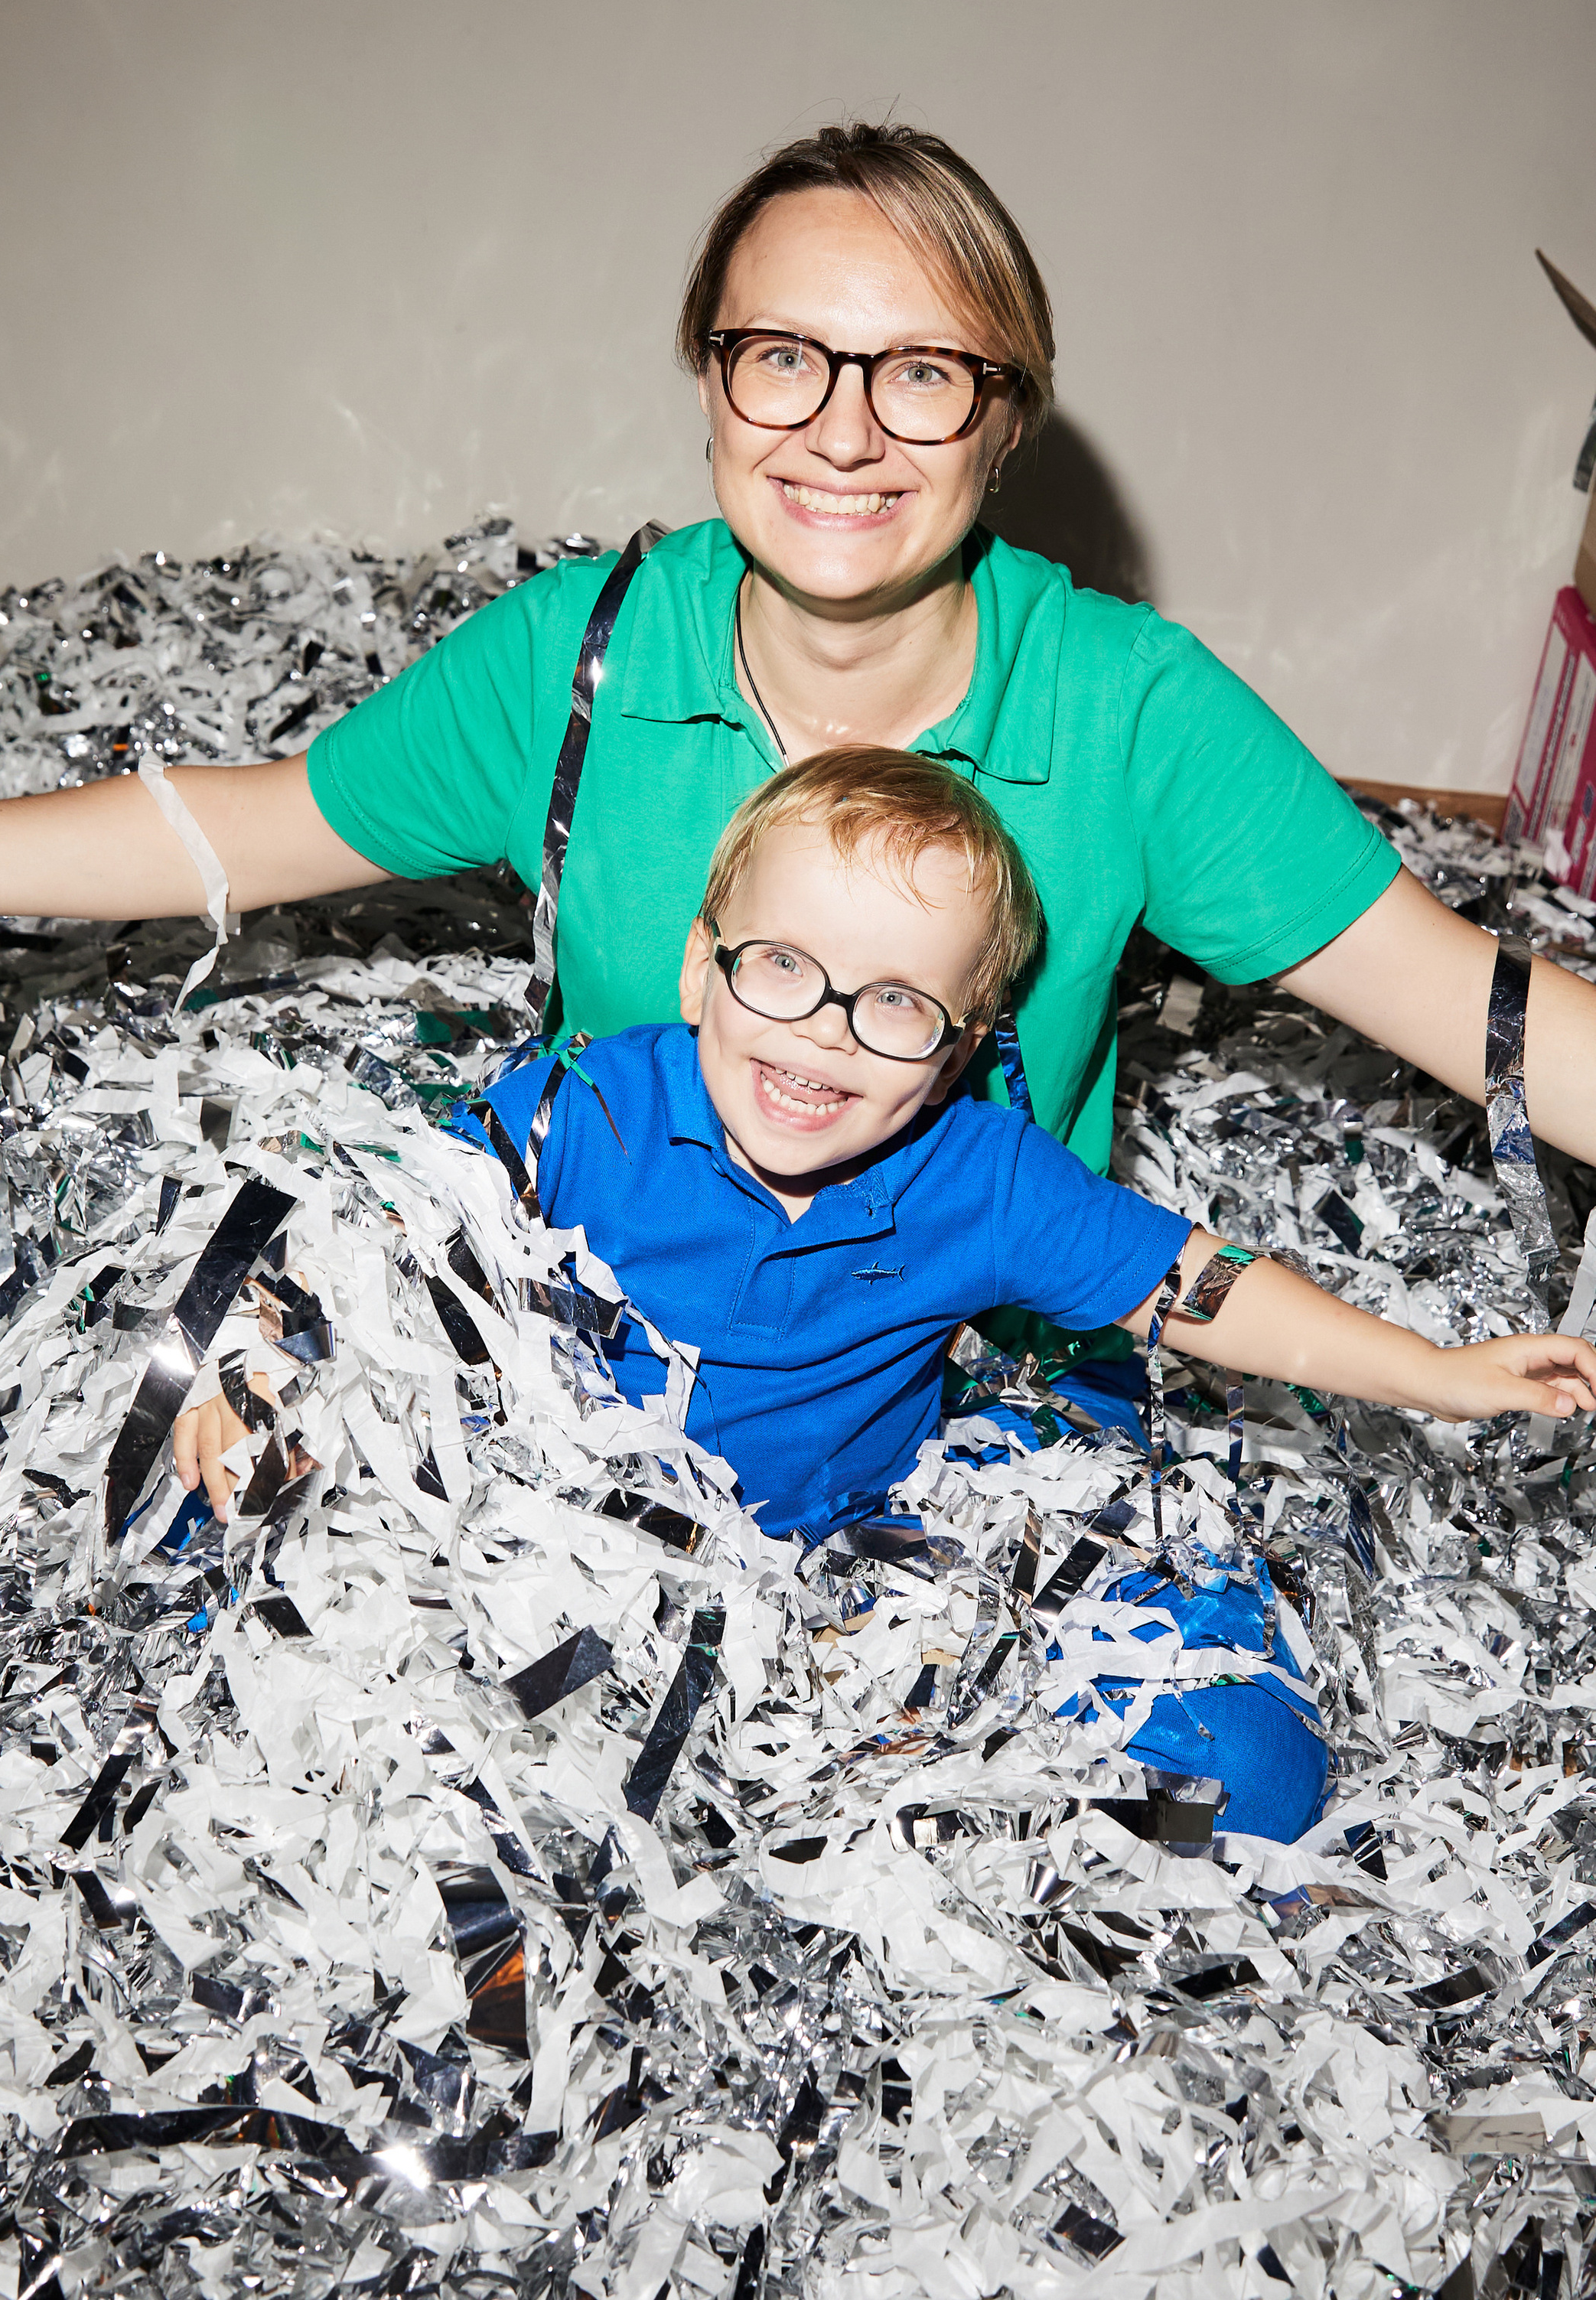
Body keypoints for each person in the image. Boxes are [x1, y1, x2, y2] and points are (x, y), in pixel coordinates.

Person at [0, 117, 1596, 1199]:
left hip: (974, 1391)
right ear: (707, 378)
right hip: (604, 1344)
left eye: (921, 372)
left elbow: (1480, 1009)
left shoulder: (1126, 708)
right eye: (783, 356)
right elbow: (244, 828)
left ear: (1005, 423)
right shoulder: (583, 660)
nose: (842, 432)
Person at [179, 754, 1596, 1842]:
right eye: (782, 969)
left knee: (1255, 1773)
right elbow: (372, 1227)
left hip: (851, 1564)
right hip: (547, 1552)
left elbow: (1201, 1288)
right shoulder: (584, 1110)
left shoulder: (983, 1178)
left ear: (962, 1049)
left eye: (896, 1005)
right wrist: (257, 1355)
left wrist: (1433, 1369)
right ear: (698, 968)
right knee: (256, 1584)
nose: (820, 1035)